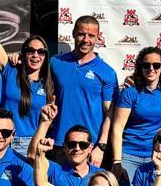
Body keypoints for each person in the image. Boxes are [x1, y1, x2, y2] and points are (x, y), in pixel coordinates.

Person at [0, 0, 53, 155]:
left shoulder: (49, 84)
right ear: (24, 53)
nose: (35, 55)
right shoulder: (11, 70)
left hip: (33, 144)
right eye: (30, 51)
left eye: (41, 52)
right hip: (3, 140)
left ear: (45, 56)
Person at [50, 13, 118, 158]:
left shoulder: (107, 72)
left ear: (98, 37)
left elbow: (110, 113)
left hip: (89, 147)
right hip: (58, 143)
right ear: (73, 34)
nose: (86, 40)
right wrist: (17, 58)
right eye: (81, 34)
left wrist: (101, 146)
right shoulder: (55, 63)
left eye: (91, 36)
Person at [107, 46, 161, 182]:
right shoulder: (130, 92)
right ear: (140, 67)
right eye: (146, 65)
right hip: (130, 154)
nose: (151, 69)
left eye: (156, 65)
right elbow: (117, 128)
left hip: (157, 154)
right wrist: (117, 161)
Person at [30, 107, 96, 186]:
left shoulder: (100, 174)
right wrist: (45, 122)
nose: (77, 148)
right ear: (64, 147)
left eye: (83, 145)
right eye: (71, 144)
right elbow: (33, 156)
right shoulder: (55, 171)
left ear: (90, 148)